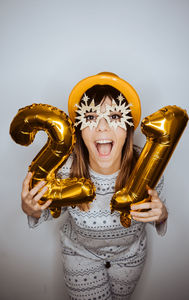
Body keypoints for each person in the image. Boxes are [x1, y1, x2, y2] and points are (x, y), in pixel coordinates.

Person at [21, 73, 168, 300]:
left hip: (130, 258)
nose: (102, 127)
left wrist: (161, 215)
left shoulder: (147, 167)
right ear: (79, 128)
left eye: (115, 116)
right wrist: (32, 209)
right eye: (90, 117)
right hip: (80, 255)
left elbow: (158, 212)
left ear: (128, 128)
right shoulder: (64, 168)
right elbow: (45, 210)